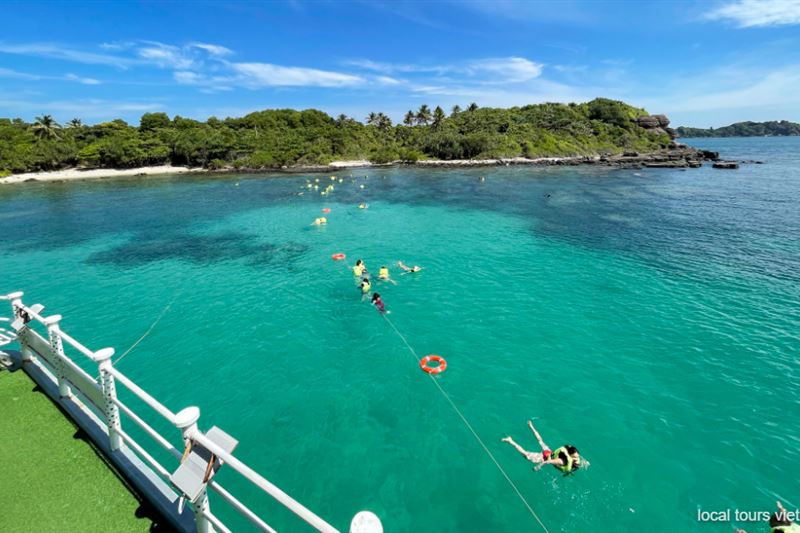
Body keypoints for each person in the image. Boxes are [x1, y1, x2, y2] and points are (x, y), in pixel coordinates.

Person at [501, 419, 583, 475]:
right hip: (543, 457)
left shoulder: (572, 458)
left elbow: (577, 461)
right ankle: (510, 441)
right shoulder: (562, 461)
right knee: (525, 454)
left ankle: (531, 426)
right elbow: (547, 462)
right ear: (569, 455)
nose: (576, 458)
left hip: (549, 452)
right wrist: (538, 467)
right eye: (575, 457)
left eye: (576, 457)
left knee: (540, 441)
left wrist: (585, 463)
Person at [736, 501, 800, 533]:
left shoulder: (778, 531)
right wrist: (781, 509)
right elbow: (785, 516)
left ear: (777, 523)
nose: (770, 524)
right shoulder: (790, 524)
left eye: (771, 522)